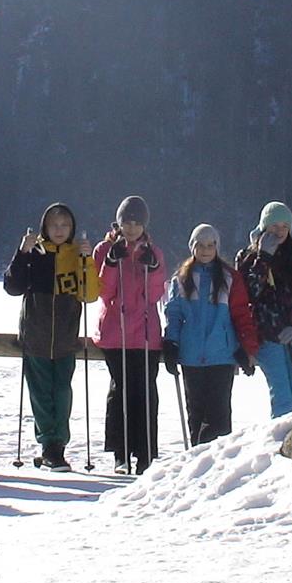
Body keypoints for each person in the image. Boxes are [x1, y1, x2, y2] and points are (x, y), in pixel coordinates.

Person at [2, 203, 100, 471]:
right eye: (54, 225)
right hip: (37, 336)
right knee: (41, 394)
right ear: (45, 227)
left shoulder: (76, 254)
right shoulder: (35, 252)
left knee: (62, 393)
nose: (59, 230)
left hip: (66, 337)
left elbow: (90, 294)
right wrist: (22, 252)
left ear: (72, 228)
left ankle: (58, 444)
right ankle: (49, 446)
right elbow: (13, 286)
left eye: (65, 225)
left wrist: (87, 260)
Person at [163, 224, 259, 445]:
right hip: (191, 355)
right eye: (200, 245)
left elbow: (241, 314)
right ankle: (196, 455)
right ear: (192, 247)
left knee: (219, 415)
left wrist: (247, 348)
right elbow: (174, 314)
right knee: (196, 413)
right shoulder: (182, 278)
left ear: (217, 247)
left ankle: (218, 458)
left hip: (222, 354)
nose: (205, 250)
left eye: (210, 245)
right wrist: (171, 342)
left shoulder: (229, 277)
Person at [93, 195, 167, 475]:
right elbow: (103, 292)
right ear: (119, 223)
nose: (132, 228)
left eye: (137, 223)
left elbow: (155, 295)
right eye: (127, 222)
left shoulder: (154, 252)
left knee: (145, 393)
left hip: (146, 334)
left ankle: (145, 453)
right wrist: (111, 263)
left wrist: (153, 269)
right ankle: (120, 453)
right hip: (116, 332)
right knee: (121, 391)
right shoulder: (105, 249)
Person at [235, 202, 292, 417]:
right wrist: (264, 258)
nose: (279, 231)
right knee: (282, 398)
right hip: (267, 336)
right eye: (274, 226)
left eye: (284, 227)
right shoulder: (247, 257)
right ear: (264, 226)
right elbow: (248, 293)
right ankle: (281, 436)